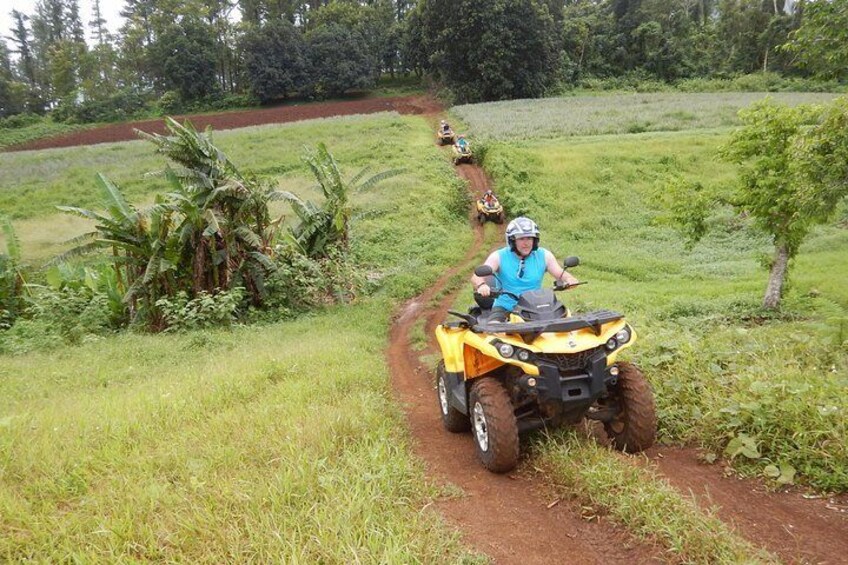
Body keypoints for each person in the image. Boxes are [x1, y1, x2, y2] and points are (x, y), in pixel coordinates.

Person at [471, 217, 579, 322]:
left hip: (535, 308)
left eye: (529, 238)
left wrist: (570, 279)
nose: (526, 243)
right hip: (505, 307)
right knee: (493, 328)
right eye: (521, 238)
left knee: (563, 325)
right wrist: (482, 285)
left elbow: (560, 273)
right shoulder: (499, 256)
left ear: (535, 240)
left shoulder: (544, 255)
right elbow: (476, 277)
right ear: (512, 240)